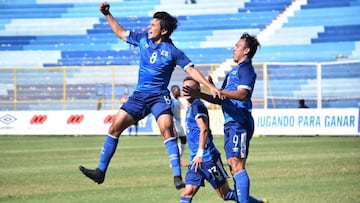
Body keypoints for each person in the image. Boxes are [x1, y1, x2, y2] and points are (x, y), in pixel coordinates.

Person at [79, 2, 221, 190]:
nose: (149, 27)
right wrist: (108, 15)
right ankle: (100, 171)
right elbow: (121, 34)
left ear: (163, 31)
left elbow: (191, 70)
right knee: (114, 127)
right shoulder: (143, 39)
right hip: (139, 96)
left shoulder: (173, 51)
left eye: (153, 25)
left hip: (158, 96)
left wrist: (209, 85)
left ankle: (177, 177)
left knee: (167, 130)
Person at [183, 33, 267, 202]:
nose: (234, 49)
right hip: (231, 123)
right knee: (232, 164)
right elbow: (218, 98)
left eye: (237, 46)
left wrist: (218, 90)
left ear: (246, 50)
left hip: (239, 121)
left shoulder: (246, 70)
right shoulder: (233, 71)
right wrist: (200, 93)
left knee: (236, 163)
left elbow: (243, 94)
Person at [180, 77, 237, 202]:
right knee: (187, 193)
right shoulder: (190, 108)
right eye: (184, 87)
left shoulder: (197, 106)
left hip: (207, 158)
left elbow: (203, 129)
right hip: (195, 161)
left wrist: (200, 154)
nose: (186, 90)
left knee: (226, 194)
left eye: (190, 88)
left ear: (197, 90)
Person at [171, 85, 187, 159]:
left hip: (178, 122)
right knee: (175, 140)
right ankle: (174, 160)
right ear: (173, 91)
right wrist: (173, 126)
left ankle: (178, 158)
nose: (179, 92)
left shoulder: (178, 100)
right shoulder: (172, 101)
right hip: (174, 122)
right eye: (178, 90)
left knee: (183, 139)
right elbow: (170, 114)